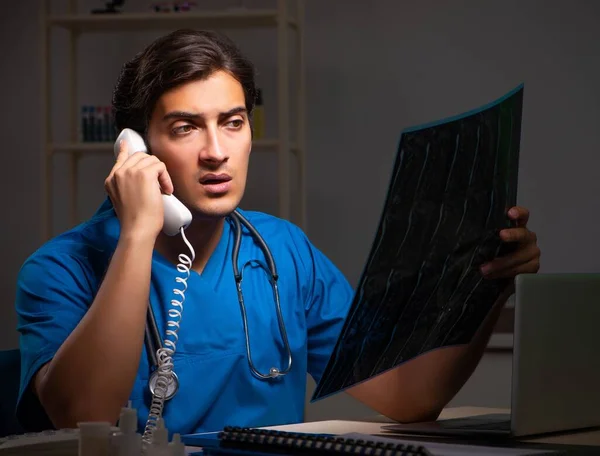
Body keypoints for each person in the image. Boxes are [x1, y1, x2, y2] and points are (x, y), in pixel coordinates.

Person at [14, 29, 541, 436]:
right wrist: (136, 235)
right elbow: (83, 419)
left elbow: (410, 399)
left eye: (233, 122)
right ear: (137, 148)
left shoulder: (284, 253)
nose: (216, 150)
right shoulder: (59, 269)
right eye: (186, 127)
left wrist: (491, 283)